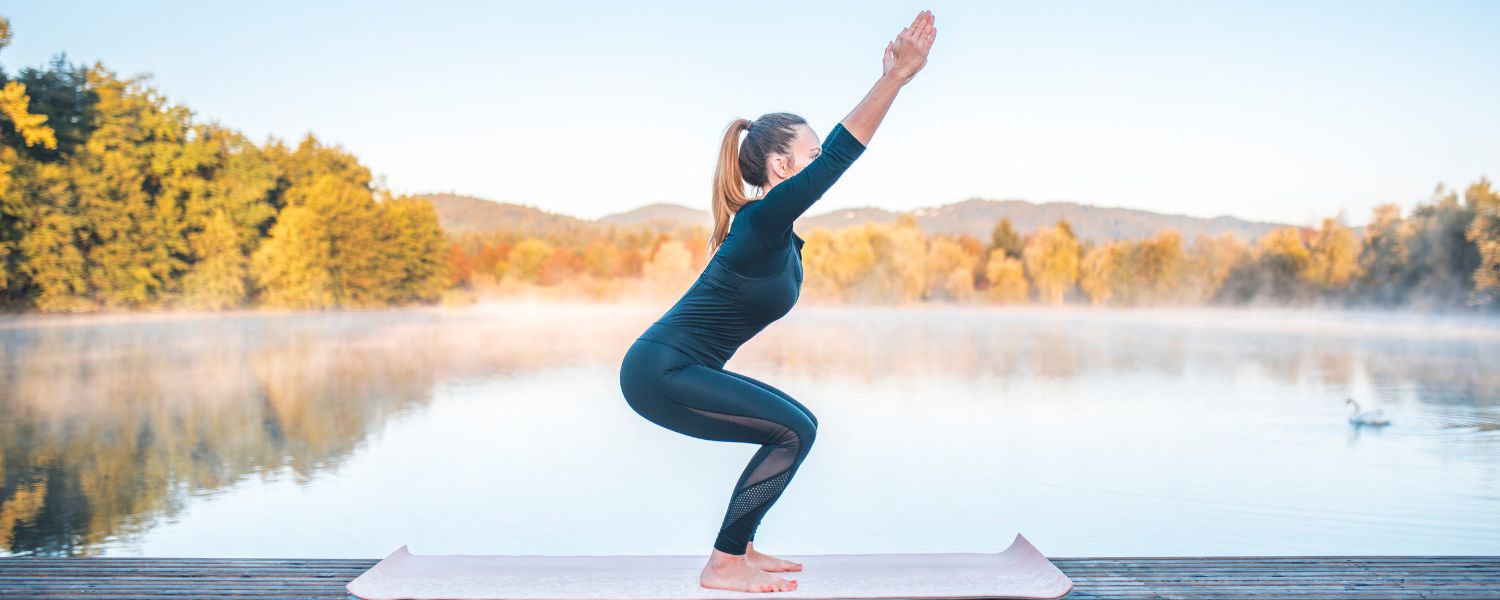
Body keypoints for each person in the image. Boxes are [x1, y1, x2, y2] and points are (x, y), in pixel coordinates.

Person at [618, 10, 936, 593]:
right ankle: (723, 564)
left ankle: (739, 548)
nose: (819, 166)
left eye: (816, 156)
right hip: (658, 371)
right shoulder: (762, 218)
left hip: (673, 369)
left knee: (800, 425)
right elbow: (844, 153)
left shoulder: (778, 233)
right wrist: (894, 80)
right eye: (809, 157)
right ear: (781, 168)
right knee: (792, 431)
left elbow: (832, 158)